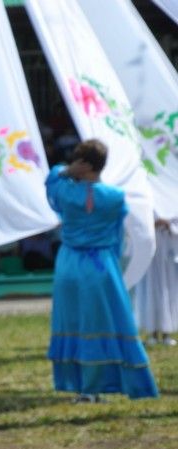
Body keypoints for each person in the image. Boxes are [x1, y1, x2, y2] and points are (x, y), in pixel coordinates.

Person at [45, 139, 158, 401]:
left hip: (70, 265)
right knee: (105, 324)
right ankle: (101, 385)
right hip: (102, 266)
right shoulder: (116, 197)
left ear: (83, 164)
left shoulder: (65, 191)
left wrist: (66, 172)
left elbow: (51, 180)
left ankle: (82, 387)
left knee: (73, 323)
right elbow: (119, 235)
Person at [132, 216, 178, 346]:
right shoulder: (146, 200)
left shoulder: (172, 201)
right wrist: (152, 223)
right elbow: (136, 223)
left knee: (166, 289)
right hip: (149, 252)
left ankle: (166, 334)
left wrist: (169, 225)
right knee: (150, 290)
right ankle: (152, 333)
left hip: (167, 252)